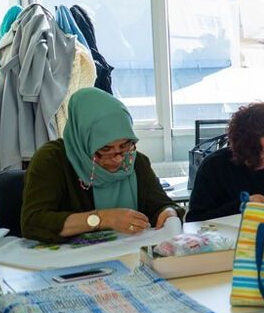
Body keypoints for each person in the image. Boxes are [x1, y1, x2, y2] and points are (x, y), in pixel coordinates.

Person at [21, 88, 181, 243]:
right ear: (84, 140)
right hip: (68, 259)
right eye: (105, 149)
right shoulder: (51, 160)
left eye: (124, 146)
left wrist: (168, 213)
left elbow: (162, 206)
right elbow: (33, 222)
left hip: (128, 255)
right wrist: (103, 218)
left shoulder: (134, 161)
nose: (118, 159)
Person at [185, 102, 264, 221]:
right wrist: (244, 205)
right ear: (245, 146)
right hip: (231, 238)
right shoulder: (214, 166)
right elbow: (195, 219)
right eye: (263, 152)